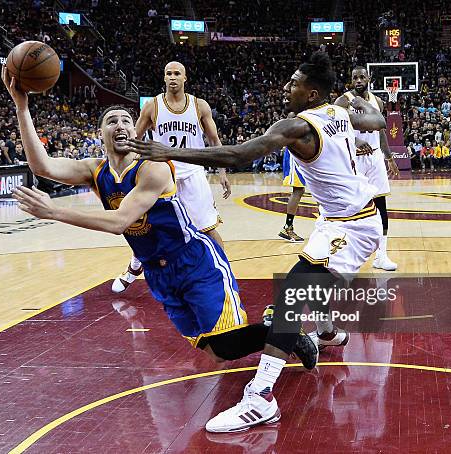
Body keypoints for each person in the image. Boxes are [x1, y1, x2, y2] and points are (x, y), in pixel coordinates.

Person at [1, 66, 317, 383]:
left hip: (194, 261)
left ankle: (286, 330)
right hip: (158, 273)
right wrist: (22, 106)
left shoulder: (153, 169)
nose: (121, 125)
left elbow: (120, 221)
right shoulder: (94, 170)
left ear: (137, 132)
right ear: (102, 135)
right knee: (218, 353)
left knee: (226, 342)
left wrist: (54, 211)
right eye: (112, 122)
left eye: (126, 120)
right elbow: (42, 166)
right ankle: (283, 335)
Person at [127, 51, 386, 432]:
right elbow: (378, 120)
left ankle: (260, 396)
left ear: (312, 94)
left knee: (292, 297)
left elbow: (239, 154)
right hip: (339, 220)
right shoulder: (340, 114)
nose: (287, 87)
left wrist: (170, 151)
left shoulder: (297, 126)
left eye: (294, 82)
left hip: (353, 225)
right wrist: (357, 98)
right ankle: (328, 333)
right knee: (309, 284)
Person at [112, 61, 232, 294]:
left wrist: (222, 172)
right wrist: (129, 171)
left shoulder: (200, 106)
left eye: (177, 73)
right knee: (147, 226)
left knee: (207, 228)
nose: (173, 77)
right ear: (164, 78)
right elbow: (136, 139)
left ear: (185, 78)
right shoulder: (152, 106)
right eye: (168, 73)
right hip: (162, 174)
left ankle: (224, 273)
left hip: (194, 172)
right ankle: (134, 267)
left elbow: (214, 142)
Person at [335, 67, 399, 271]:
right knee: (349, 208)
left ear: (369, 78)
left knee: (381, 206)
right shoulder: (343, 101)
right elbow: (334, 129)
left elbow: (381, 132)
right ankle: (342, 255)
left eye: (362, 77)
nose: (359, 80)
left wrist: (389, 157)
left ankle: (381, 255)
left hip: (375, 158)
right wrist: (355, 139)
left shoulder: (377, 101)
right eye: (355, 77)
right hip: (353, 160)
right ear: (351, 80)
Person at [279, 146, 305, 242]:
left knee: (319, 187)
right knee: (298, 190)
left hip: (304, 153)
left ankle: (325, 224)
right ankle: (288, 227)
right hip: (295, 152)